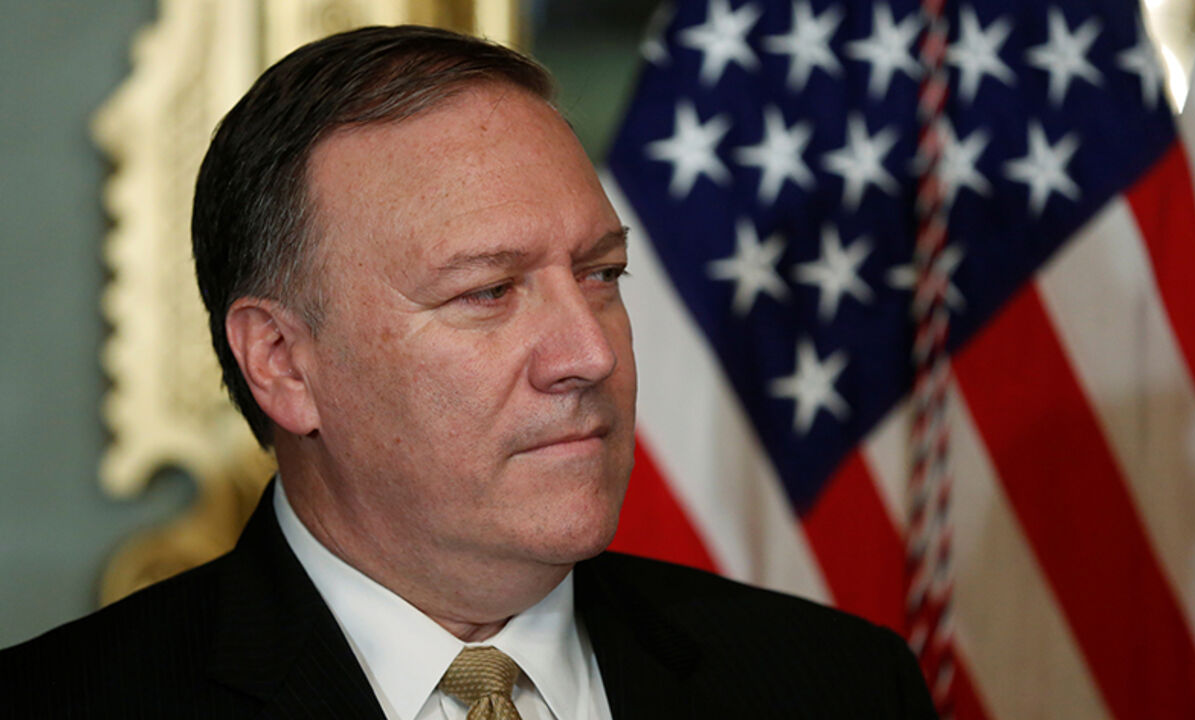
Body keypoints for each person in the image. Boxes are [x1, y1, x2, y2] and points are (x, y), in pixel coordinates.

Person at [0, 25, 935, 719]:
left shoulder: (837, 687)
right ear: (282, 364)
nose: (591, 354)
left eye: (601, 274)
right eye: (488, 291)